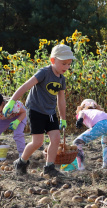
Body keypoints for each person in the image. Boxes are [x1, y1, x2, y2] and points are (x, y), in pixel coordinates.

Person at [2, 44, 75, 176]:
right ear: (53, 60)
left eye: (69, 64)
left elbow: (61, 99)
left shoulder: (62, 79)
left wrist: (63, 118)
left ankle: (49, 167)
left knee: (56, 138)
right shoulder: (44, 73)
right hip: (35, 110)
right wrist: (12, 101)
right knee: (38, 142)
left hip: (50, 112)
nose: (67, 67)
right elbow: (25, 86)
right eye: (64, 63)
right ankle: (21, 162)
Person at [74, 99, 107, 170]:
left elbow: (82, 114)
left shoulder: (83, 111)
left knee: (77, 142)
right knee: (106, 142)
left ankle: (81, 167)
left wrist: (80, 120)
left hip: (100, 125)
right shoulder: (99, 112)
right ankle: (106, 165)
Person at [0, 94, 26, 158]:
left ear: (2, 103)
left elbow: (24, 112)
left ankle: (22, 154)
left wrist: (17, 121)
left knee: (18, 133)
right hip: (6, 117)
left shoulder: (13, 106)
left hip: (20, 115)